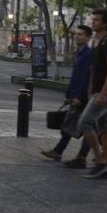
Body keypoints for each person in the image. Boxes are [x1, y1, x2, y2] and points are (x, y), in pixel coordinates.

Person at [40, 25, 93, 164]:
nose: (77, 37)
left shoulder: (88, 55)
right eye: (76, 34)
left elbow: (85, 78)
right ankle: (59, 151)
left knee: (82, 128)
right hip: (75, 95)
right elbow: (75, 76)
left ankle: (76, 155)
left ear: (88, 37)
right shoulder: (79, 53)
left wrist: (79, 97)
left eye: (80, 34)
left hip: (82, 97)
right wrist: (69, 94)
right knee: (73, 126)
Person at [78, 9, 107, 179]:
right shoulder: (96, 42)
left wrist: (103, 93)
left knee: (85, 123)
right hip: (96, 91)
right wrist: (90, 88)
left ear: (105, 24)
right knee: (104, 129)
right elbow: (94, 69)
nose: (93, 22)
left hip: (105, 93)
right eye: (92, 19)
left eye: (96, 20)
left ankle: (101, 160)